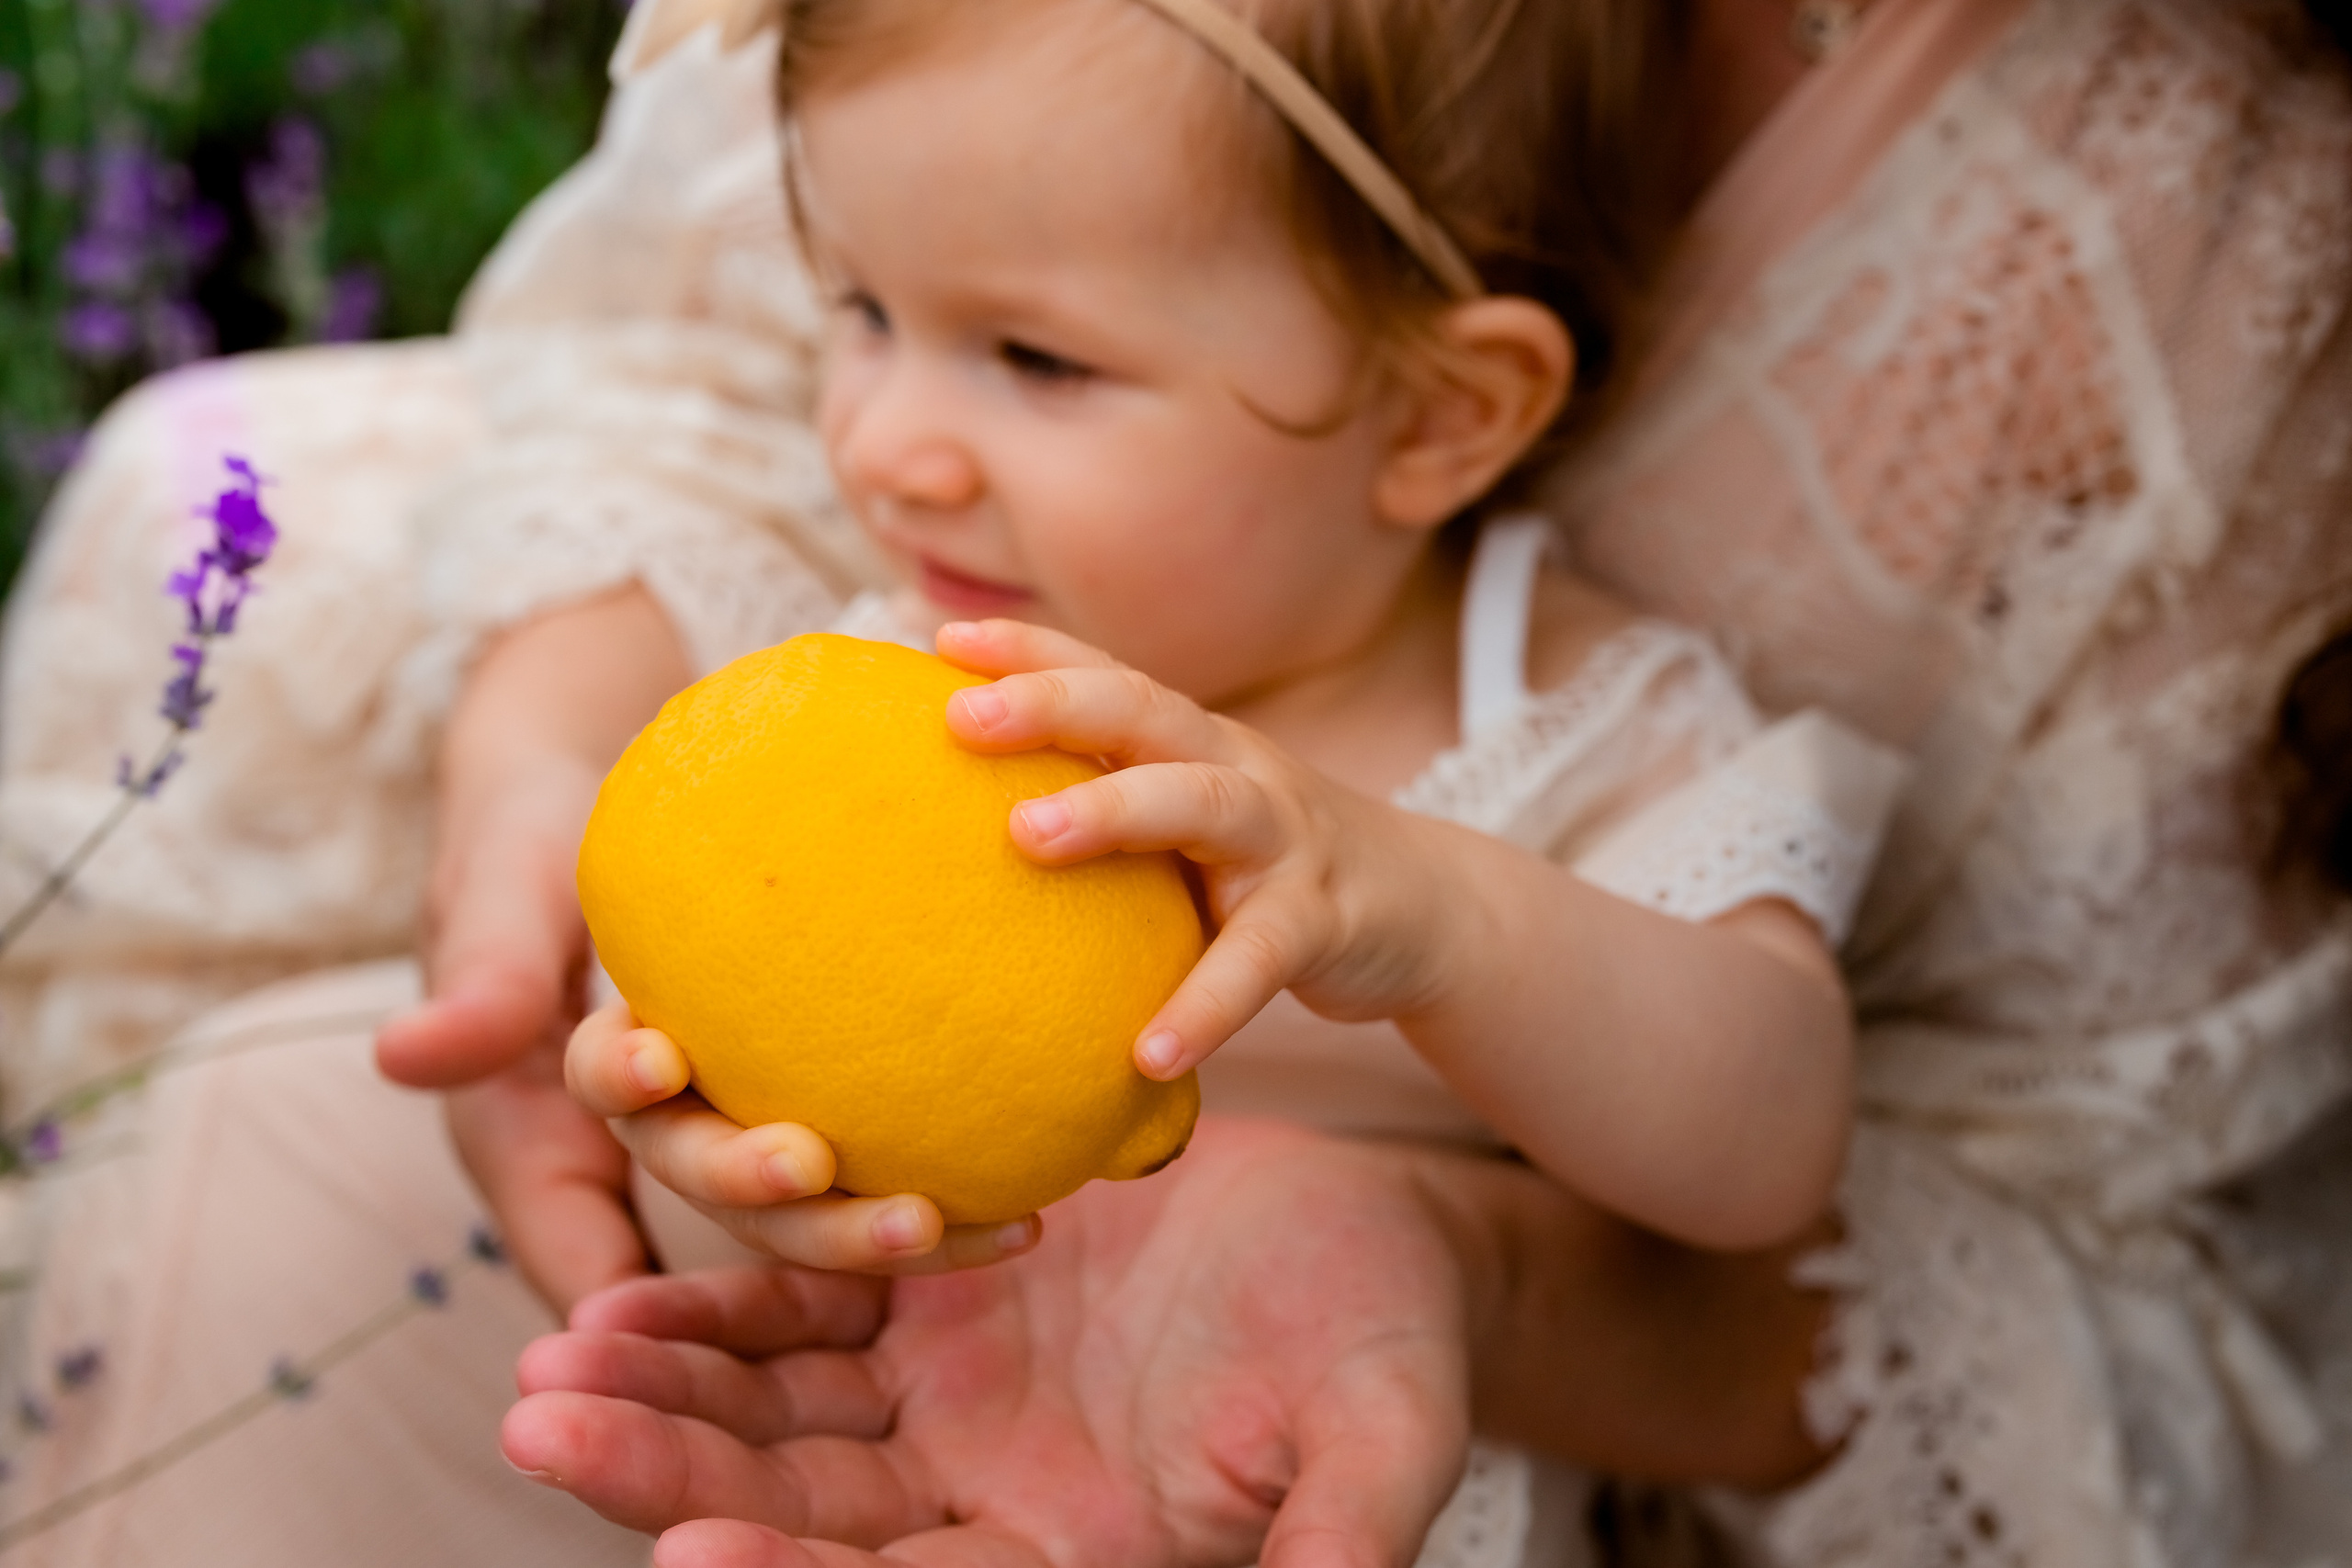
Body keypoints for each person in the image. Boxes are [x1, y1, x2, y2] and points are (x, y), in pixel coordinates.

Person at [0, 0, 2346, 1564]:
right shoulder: (927, 644)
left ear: (1445, 414)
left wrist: (1425, 907)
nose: (884, 431)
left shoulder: (1577, 710)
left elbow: (1765, 1137)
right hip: (855, 1400)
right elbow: (667, 682)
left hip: (1241, 1462)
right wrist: (583, 870)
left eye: (1030, 354)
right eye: (861, 311)